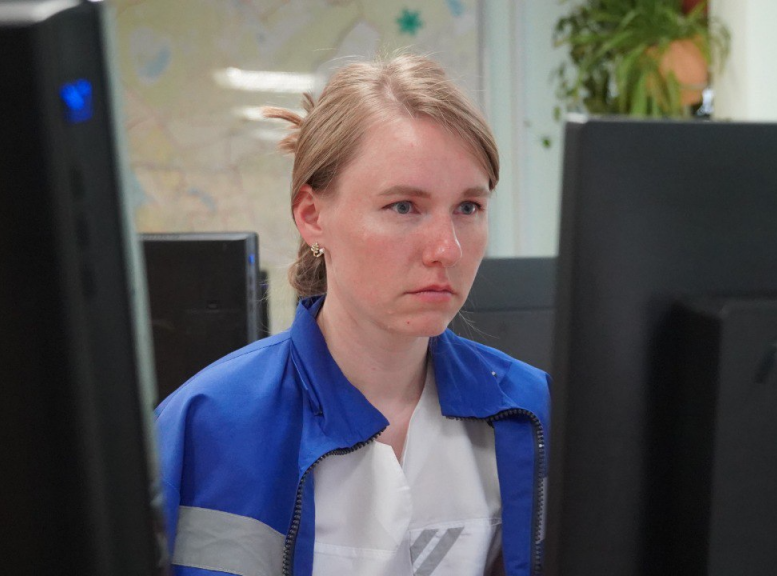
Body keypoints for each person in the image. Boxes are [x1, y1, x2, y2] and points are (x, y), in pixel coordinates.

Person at [155, 54, 551, 576]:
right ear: (312, 216)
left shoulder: (535, 412)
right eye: (404, 206)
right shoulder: (204, 425)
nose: (447, 249)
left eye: (468, 208)